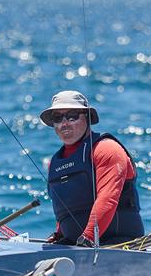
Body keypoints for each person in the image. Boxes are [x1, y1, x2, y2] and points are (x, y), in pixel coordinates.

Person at [40, 90, 144, 247]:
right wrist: (60, 233)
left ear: (87, 117)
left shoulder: (106, 149)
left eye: (72, 115)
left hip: (119, 245)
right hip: (77, 247)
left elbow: (108, 198)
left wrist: (88, 237)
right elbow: (67, 207)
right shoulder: (54, 163)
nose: (64, 123)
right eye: (57, 118)